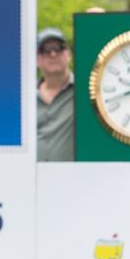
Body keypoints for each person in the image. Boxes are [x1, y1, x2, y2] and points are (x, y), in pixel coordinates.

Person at [36, 27, 74, 161]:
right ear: (37, 59)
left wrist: (95, 24)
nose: (53, 54)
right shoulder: (25, 98)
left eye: (58, 48)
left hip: (71, 177)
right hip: (31, 178)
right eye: (45, 50)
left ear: (68, 54)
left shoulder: (83, 92)